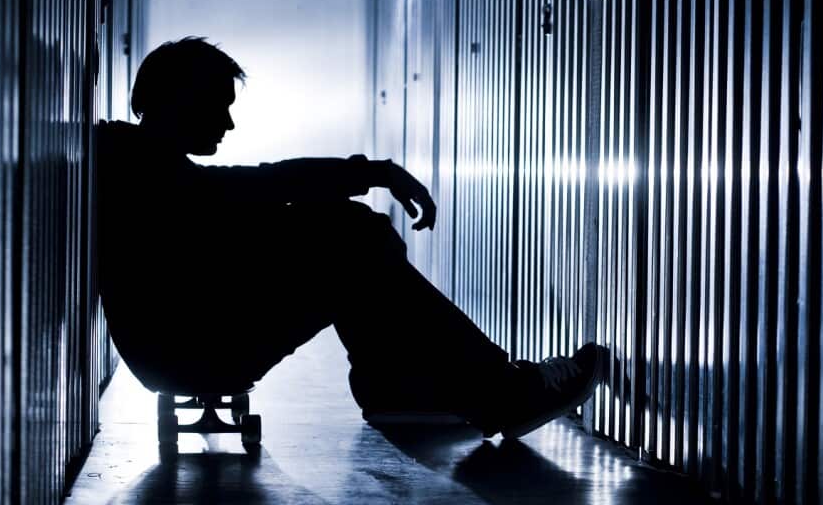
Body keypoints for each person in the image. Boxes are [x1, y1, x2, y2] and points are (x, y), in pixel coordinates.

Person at [97, 37, 598, 439]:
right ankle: (500, 394)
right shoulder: (140, 171)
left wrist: (362, 182)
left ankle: (398, 391)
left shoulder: (139, 162)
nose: (228, 122)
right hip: (190, 351)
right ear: (178, 100)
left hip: (184, 343)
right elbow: (259, 185)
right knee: (351, 236)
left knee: (348, 232)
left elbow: (252, 191)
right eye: (217, 105)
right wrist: (375, 174)